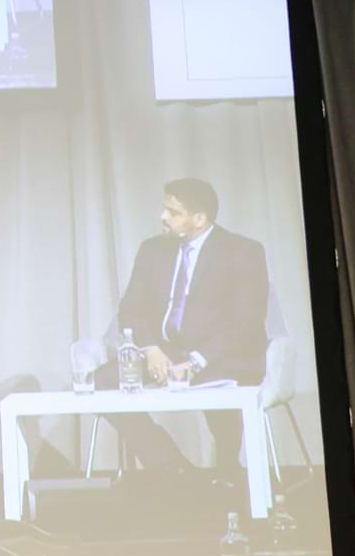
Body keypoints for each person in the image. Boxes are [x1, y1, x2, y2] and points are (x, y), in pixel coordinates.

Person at [100, 179, 270, 479]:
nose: (162, 217)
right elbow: (130, 309)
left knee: (221, 390)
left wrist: (195, 362)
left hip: (219, 355)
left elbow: (246, 321)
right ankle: (169, 465)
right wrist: (151, 350)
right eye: (164, 209)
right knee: (103, 382)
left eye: (173, 212)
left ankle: (228, 470)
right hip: (165, 352)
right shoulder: (152, 250)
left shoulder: (242, 251)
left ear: (199, 218)